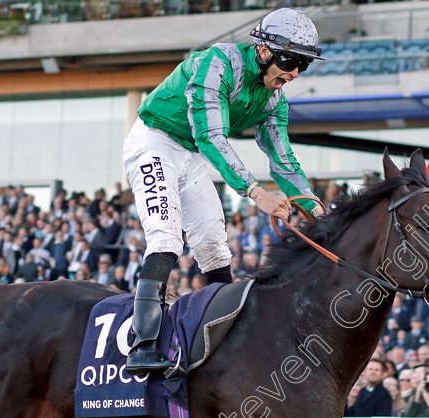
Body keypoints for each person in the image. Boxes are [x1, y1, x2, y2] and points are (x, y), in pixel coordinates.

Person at [122, 8, 326, 375]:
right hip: (154, 142)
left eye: (304, 65)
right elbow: (210, 135)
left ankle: (226, 337)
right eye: (291, 60)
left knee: (216, 248)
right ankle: (143, 345)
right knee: (167, 236)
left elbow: (283, 160)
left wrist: (316, 209)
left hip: (190, 155)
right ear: (264, 51)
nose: (295, 73)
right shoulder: (218, 63)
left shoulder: (274, 100)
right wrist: (255, 193)